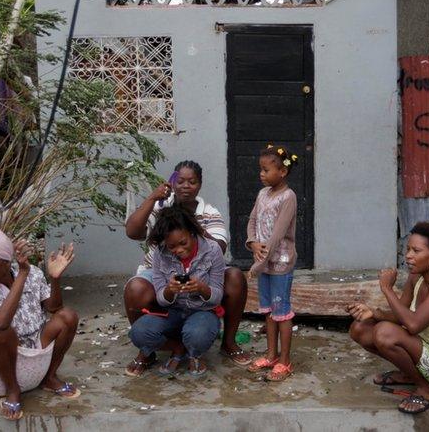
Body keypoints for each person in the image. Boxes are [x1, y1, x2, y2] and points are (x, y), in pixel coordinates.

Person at [123, 160, 251, 376]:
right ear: (173, 182)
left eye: (191, 181)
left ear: (199, 185)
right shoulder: (161, 207)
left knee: (235, 277)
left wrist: (189, 226)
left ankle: (228, 343)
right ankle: (150, 350)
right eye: (180, 181)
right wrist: (153, 197)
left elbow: (217, 249)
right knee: (135, 288)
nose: (185, 186)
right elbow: (133, 232)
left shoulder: (209, 212)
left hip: (202, 269)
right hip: (161, 270)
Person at [347, 222, 429, 415]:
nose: (408, 256)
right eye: (408, 249)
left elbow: (412, 325)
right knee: (360, 328)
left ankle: (427, 390)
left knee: (384, 333)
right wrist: (373, 313)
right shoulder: (417, 277)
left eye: (416, 250)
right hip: (424, 353)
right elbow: (400, 317)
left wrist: (387, 289)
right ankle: (411, 375)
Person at [0, 228, 81, 421]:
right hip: (1, 371)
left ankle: (50, 377)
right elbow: (1, 322)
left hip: (36, 356)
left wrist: (55, 279)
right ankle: (13, 390)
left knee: (67, 316)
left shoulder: (34, 274)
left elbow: (54, 307)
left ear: (6, 262)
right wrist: (22, 273)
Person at [128, 206, 226, 377]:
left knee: (197, 335)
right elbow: (161, 298)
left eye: (183, 243)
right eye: (172, 246)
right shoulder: (160, 253)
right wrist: (169, 291)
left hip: (202, 311)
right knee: (139, 333)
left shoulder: (212, 250)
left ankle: (194, 353)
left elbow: (217, 297)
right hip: (172, 312)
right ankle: (177, 347)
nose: (179, 250)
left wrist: (202, 289)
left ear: (192, 232)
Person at [245, 144, 299, 382]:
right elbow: (253, 219)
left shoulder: (288, 197)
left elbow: (277, 236)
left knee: (282, 313)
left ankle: (285, 361)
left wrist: (258, 264)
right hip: (263, 262)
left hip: (280, 264)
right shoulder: (262, 194)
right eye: (261, 169)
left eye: (266, 170)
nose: (262, 174)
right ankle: (271, 355)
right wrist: (252, 243)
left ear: (283, 172)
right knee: (268, 311)